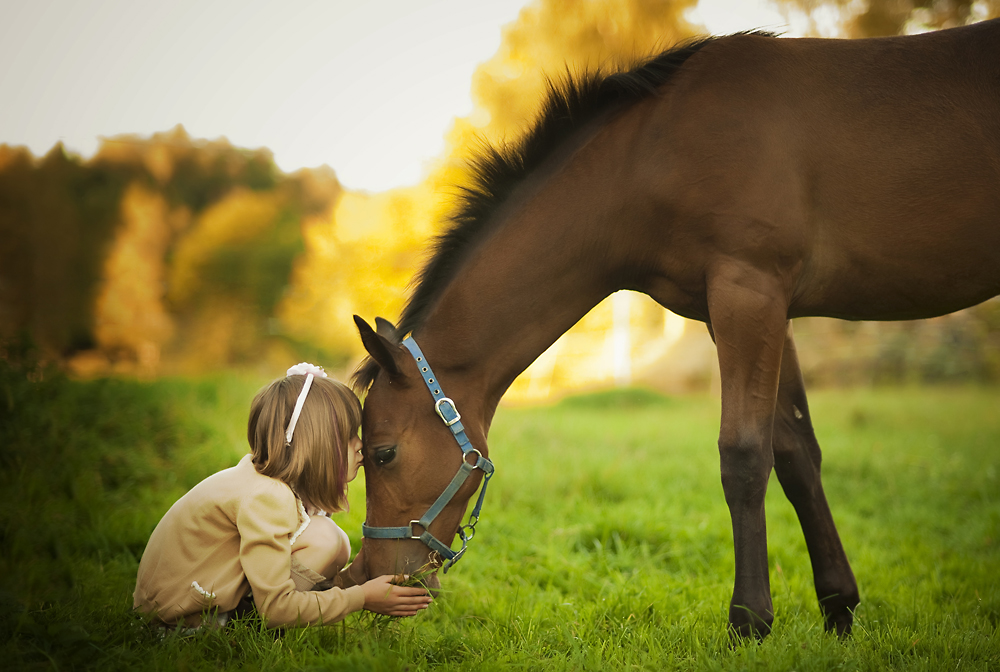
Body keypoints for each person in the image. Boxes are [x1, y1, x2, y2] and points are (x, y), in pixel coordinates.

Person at [133, 363, 431, 628]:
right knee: (326, 538)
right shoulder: (267, 497)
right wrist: (361, 598)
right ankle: (245, 626)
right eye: (349, 435)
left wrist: (354, 577)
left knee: (332, 541)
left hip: (191, 598)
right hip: (178, 617)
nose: (361, 446)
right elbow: (277, 607)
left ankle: (247, 618)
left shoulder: (267, 483)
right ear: (317, 444)